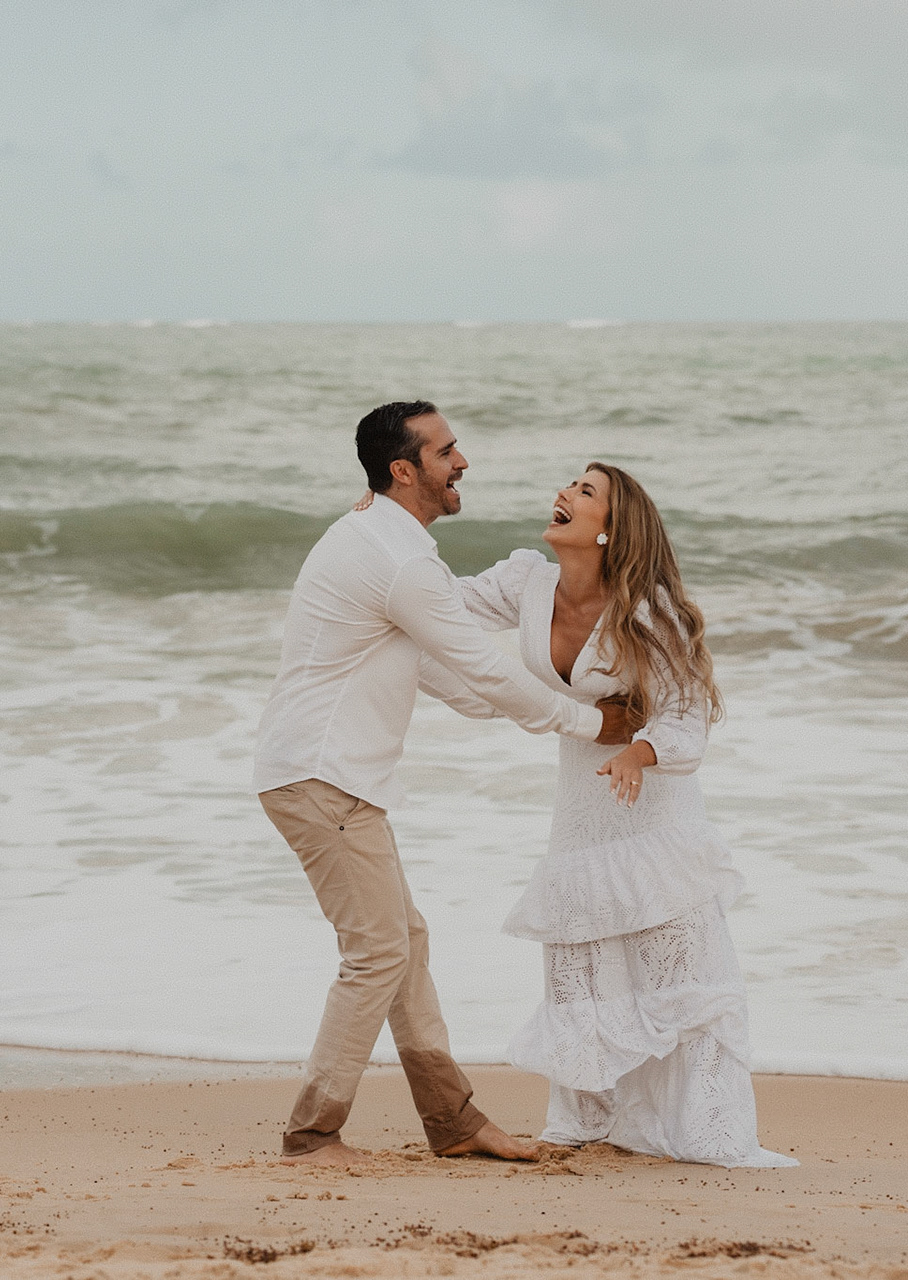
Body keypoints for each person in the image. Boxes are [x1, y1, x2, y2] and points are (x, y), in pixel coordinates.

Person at [253, 402, 640, 1166]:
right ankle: (313, 1131)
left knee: (405, 942)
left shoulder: (376, 540)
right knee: (376, 954)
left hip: (327, 777)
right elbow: (484, 666)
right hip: (321, 776)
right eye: (447, 451)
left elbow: (444, 673)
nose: (462, 462)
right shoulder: (399, 560)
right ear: (405, 470)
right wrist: (591, 724)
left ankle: (452, 1121)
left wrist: (510, 709)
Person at [442, 463, 797, 1168]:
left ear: (609, 527)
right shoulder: (527, 583)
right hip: (580, 808)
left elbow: (688, 718)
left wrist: (639, 752)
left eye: (584, 491)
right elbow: (436, 603)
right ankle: (585, 1118)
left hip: (650, 813)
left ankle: (708, 1127)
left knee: (678, 971)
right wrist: (379, 531)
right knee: (579, 958)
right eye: (568, 484)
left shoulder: (649, 611)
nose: (563, 494)